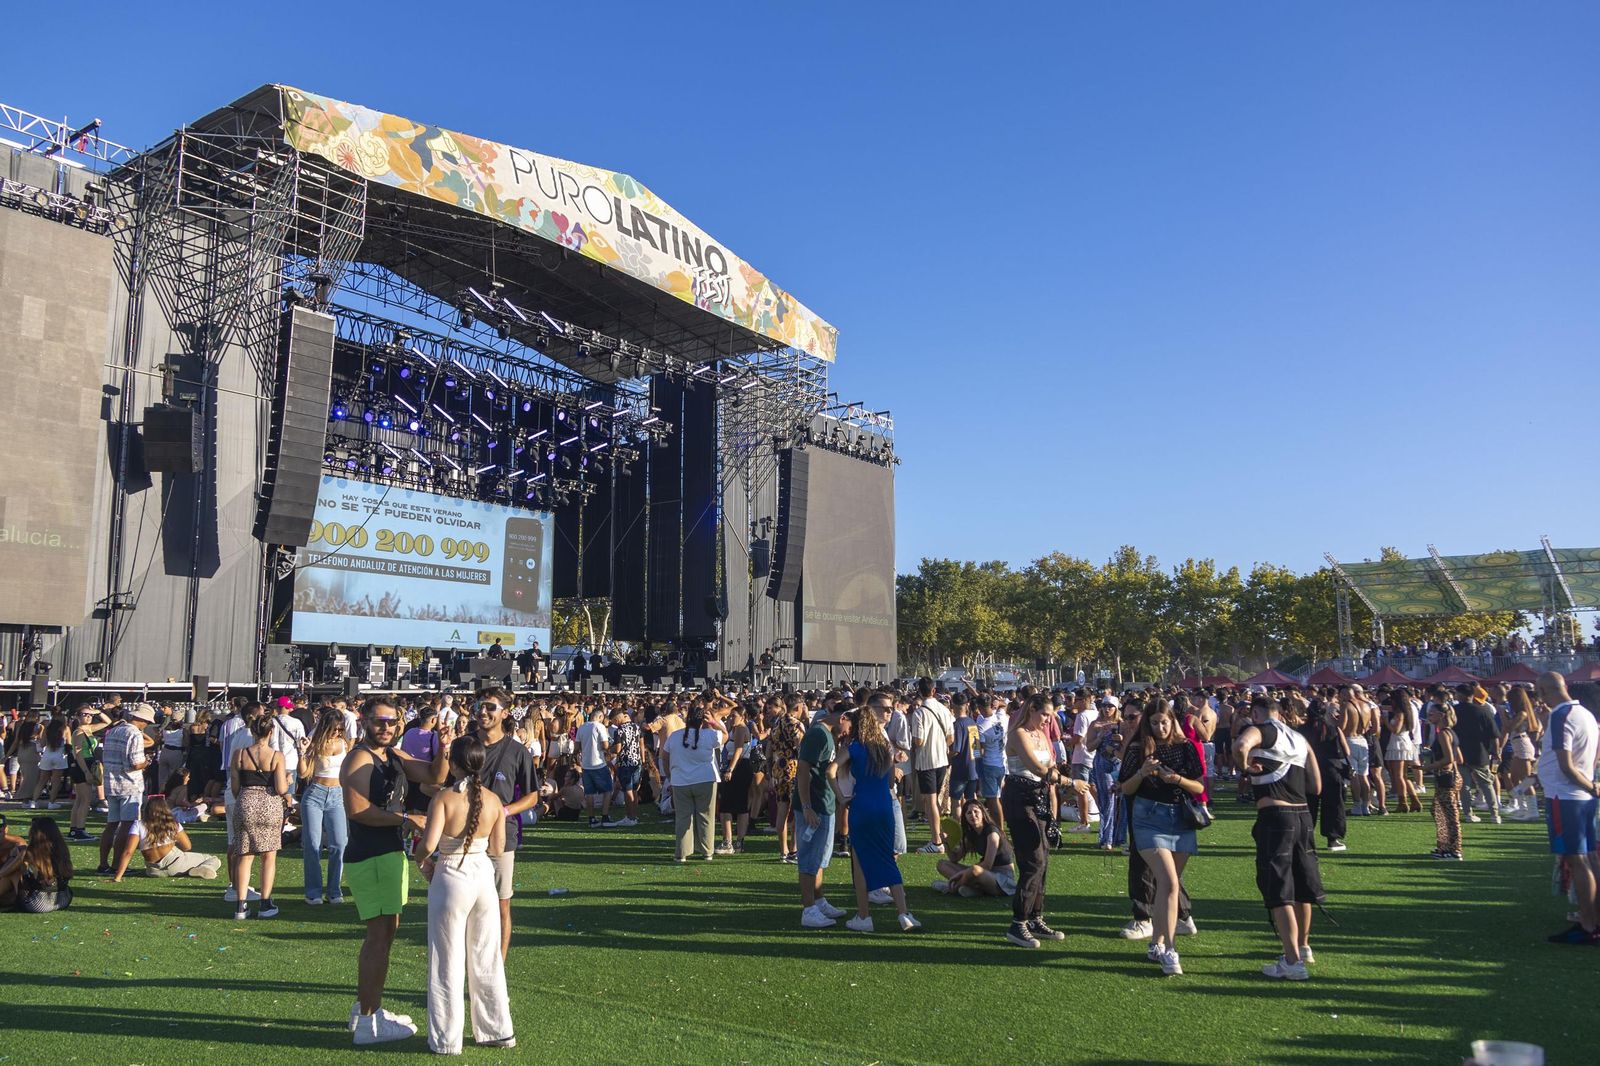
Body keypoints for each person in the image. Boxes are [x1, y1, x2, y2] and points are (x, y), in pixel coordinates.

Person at [341, 697, 452, 1046]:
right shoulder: (361, 757)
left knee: (384, 935)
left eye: (392, 722)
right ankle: (368, 1022)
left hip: (385, 853)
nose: (386, 727)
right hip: (371, 853)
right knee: (379, 937)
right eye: (379, 721)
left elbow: (434, 775)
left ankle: (366, 1010)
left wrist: (444, 748)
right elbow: (357, 809)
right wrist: (407, 819)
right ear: (364, 721)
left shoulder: (393, 755)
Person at [418, 735, 516, 1055]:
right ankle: (497, 1029)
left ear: (455, 764)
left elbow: (429, 846)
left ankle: (447, 1039)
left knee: (446, 960)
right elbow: (499, 848)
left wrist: (418, 856)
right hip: (483, 875)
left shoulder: (445, 798)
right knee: (486, 956)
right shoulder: (493, 800)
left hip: (451, 873)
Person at [1234, 694, 1326, 980]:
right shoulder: (1300, 738)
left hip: (1276, 816)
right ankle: (1303, 946)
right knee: (1301, 885)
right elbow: (1316, 785)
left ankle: (1292, 960)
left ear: (1259, 713)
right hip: (1303, 816)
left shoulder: (1261, 729)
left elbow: (1240, 745)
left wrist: (1245, 769)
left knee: (1279, 888)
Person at [1119, 698, 1205, 976]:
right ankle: (1170, 950)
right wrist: (1143, 773)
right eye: (1154, 722)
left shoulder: (1186, 748)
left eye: (1164, 722)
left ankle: (1156, 943)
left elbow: (1199, 786)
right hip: (1147, 817)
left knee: (1169, 887)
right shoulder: (1137, 748)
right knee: (1168, 882)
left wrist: (1176, 779)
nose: (1159, 727)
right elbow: (1125, 788)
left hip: (1179, 817)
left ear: (1173, 721)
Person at [839, 691, 921, 932]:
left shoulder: (856, 745)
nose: (889, 713)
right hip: (883, 803)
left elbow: (832, 770)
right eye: (885, 709)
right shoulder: (883, 745)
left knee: (860, 860)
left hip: (862, 804)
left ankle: (864, 916)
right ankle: (904, 913)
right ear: (871, 712)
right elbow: (888, 778)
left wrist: (841, 797)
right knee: (888, 858)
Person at [469, 689, 540, 958]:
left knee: (501, 905)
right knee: (466, 907)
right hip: (465, 836)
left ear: (505, 713)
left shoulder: (517, 751)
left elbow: (533, 796)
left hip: (501, 837)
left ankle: (496, 971)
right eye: (479, 705)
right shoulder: (464, 744)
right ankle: (470, 967)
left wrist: (503, 811)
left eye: (490, 707)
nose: (483, 711)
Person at [1534, 673, 1599, 946]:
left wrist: (1590, 786)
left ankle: (1587, 924)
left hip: (1567, 795)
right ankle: (1592, 918)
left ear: (1542, 690)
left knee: (1578, 860)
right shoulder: (1584, 713)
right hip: (1579, 795)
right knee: (1589, 858)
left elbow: (1566, 765)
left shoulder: (1563, 715)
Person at [1001, 693, 1065, 948]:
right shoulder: (1018, 734)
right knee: (1032, 859)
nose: (1049, 720)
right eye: (1045, 715)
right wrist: (1070, 782)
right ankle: (1018, 923)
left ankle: (1035, 917)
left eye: (1050, 716)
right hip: (1019, 797)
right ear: (1031, 710)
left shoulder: (1042, 734)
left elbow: (1051, 768)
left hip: (1040, 798)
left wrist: (1055, 802)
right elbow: (1038, 769)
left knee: (1043, 858)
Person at [229, 711, 289, 919]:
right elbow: (281, 788)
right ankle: (265, 902)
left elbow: (235, 786)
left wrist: (245, 797)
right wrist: (288, 782)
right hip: (270, 804)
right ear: (271, 732)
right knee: (268, 856)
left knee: (244, 855)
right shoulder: (276, 756)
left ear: (253, 731)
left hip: (246, 801)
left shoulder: (240, 754)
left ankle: (240, 905)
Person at [793, 701, 847, 928]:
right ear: (843, 717)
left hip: (825, 804)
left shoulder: (828, 734)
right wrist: (806, 806)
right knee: (809, 859)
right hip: (814, 806)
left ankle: (818, 900)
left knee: (821, 858)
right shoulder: (817, 734)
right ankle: (809, 909)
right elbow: (803, 769)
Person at [299, 708, 351, 905]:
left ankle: (333, 890)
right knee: (312, 844)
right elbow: (303, 774)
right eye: (334, 729)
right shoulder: (315, 741)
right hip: (315, 793)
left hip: (337, 794)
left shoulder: (344, 743)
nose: (337, 732)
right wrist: (302, 753)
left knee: (339, 843)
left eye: (340, 729)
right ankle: (313, 892)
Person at [663, 703, 725, 862]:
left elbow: (665, 756)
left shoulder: (675, 736)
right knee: (706, 817)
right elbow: (725, 735)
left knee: (683, 818)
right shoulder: (709, 735)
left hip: (680, 781)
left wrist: (670, 775)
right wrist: (713, 722)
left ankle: (682, 853)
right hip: (705, 780)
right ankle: (706, 851)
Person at [97, 703, 153, 877]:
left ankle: (103, 863)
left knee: (111, 825)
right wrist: (147, 762)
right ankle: (116, 864)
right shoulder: (134, 733)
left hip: (111, 783)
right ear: (141, 720)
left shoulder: (114, 730)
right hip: (129, 784)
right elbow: (135, 764)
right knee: (127, 825)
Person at [111, 794, 222, 881]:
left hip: (153, 871)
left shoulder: (138, 824)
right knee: (212, 859)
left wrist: (118, 877)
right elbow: (187, 846)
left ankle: (194, 869)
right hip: (176, 865)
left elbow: (128, 852)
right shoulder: (172, 823)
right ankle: (204, 868)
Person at [933, 800, 1017, 898]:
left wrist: (963, 873)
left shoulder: (992, 832)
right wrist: (946, 842)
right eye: (969, 813)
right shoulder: (971, 834)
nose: (973, 815)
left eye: (976, 811)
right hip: (984, 874)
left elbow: (987, 865)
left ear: (983, 813)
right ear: (965, 817)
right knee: (942, 864)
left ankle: (952, 887)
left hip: (1002, 879)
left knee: (975, 870)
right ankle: (974, 890)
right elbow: (954, 859)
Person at [909, 679, 954, 854]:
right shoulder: (944, 710)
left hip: (926, 761)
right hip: (942, 759)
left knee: (931, 801)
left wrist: (913, 741)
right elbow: (951, 739)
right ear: (934, 690)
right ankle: (937, 834)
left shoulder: (919, 713)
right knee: (934, 801)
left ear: (919, 692)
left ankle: (936, 841)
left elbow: (919, 741)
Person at [1452, 685, 1503, 825]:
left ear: (1460, 695)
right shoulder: (1483, 711)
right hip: (1480, 752)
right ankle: (1495, 814)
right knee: (1486, 784)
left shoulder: (1454, 711)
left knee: (1465, 786)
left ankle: (1468, 814)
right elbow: (1494, 735)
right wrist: (1496, 752)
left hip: (1460, 752)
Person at [0, 816, 73, 912]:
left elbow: (4, 873)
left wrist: (16, 857)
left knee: (12, 873)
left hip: (38, 903)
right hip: (63, 898)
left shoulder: (29, 852)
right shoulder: (62, 849)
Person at [1420, 702, 1463, 860]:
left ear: (1442, 715)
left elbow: (1449, 759)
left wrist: (1428, 767)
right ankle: (1444, 847)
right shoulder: (1450, 732)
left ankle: (1454, 850)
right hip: (1451, 776)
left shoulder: (1444, 734)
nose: (1429, 716)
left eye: (1432, 714)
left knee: (1449, 815)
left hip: (1447, 777)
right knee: (1438, 811)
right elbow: (1459, 758)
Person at [769, 696, 808, 864]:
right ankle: (794, 850)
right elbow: (801, 745)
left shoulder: (777, 722)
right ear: (798, 707)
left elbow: (770, 747)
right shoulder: (793, 723)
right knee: (797, 810)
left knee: (782, 810)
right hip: (793, 767)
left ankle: (783, 850)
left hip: (778, 767)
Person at [1086, 699, 1127, 852]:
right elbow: (1089, 747)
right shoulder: (1095, 724)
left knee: (1122, 801)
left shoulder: (1122, 724)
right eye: (1104, 706)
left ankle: (1119, 837)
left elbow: (1129, 745)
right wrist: (1100, 737)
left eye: (1111, 706)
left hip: (1119, 762)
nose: (1107, 709)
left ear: (1116, 708)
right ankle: (1106, 838)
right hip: (1102, 762)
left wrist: (1121, 739)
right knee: (1108, 800)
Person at [605, 707, 644, 828]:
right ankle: (634, 815)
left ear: (617, 718)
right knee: (634, 790)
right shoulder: (636, 727)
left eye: (613, 721)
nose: (614, 724)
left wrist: (608, 749)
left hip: (625, 762)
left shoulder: (620, 730)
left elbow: (617, 749)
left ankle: (630, 817)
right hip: (636, 761)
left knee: (627, 790)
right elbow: (641, 744)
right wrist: (643, 760)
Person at [574, 708, 613, 827]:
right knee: (607, 790)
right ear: (600, 717)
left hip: (586, 764)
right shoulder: (599, 726)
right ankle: (605, 816)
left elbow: (576, 748)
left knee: (589, 793)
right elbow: (605, 745)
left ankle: (591, 818)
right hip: (599, 763)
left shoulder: (581, 727)